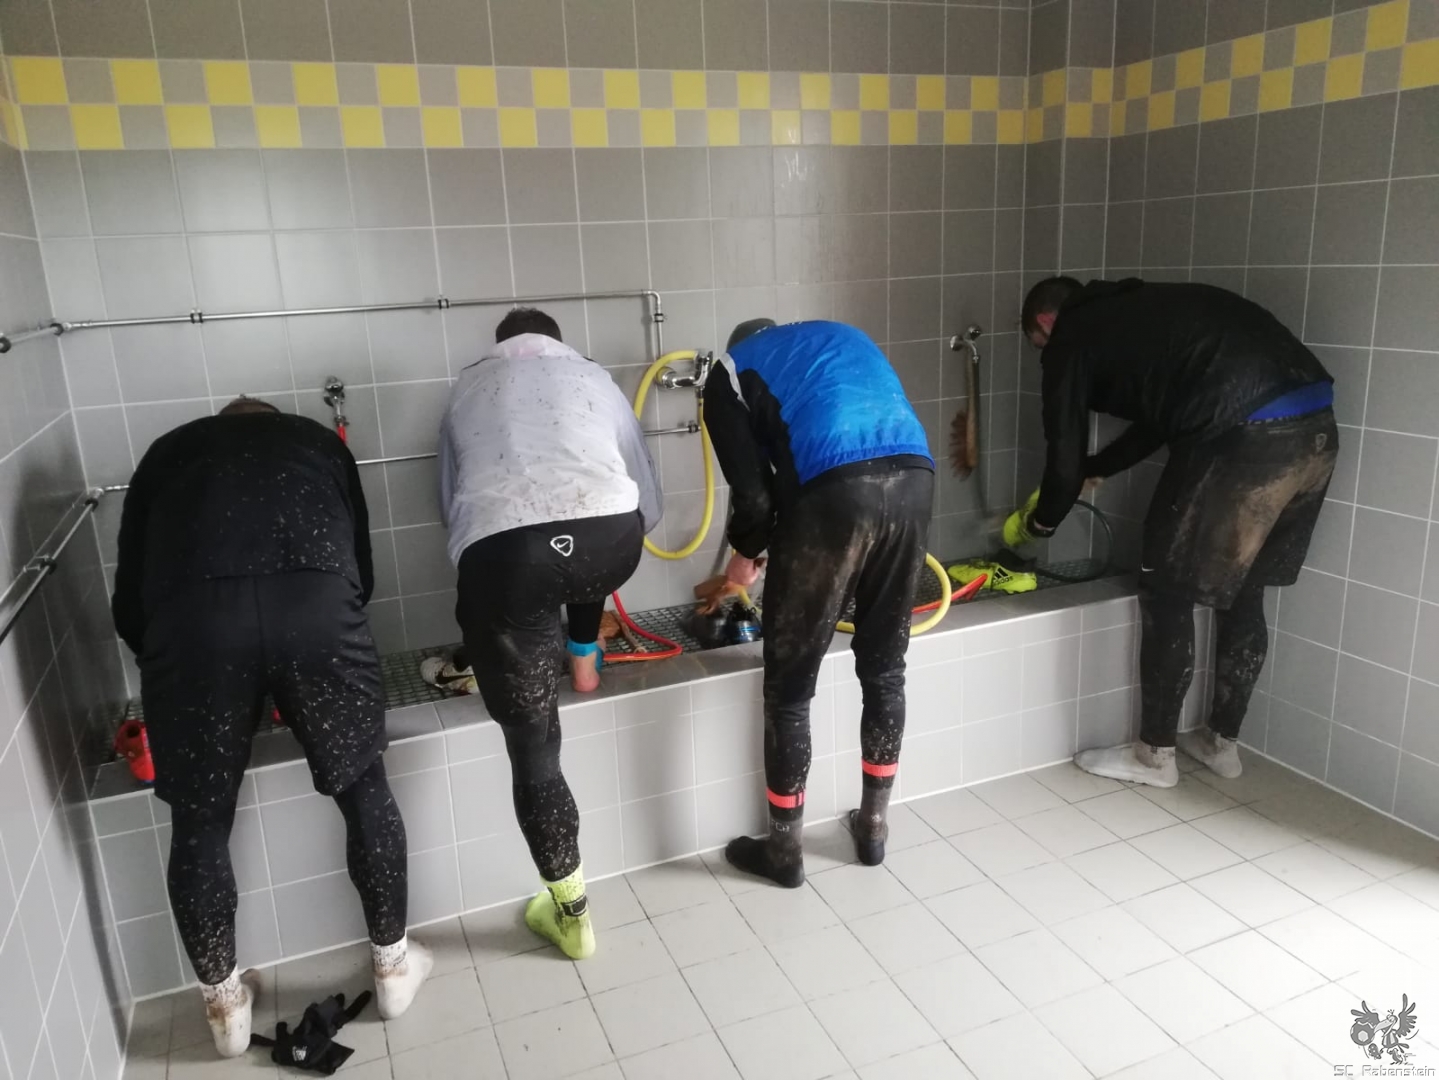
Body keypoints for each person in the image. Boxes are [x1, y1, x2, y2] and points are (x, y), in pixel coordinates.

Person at [111, 398, 430, 1058]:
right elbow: (361, 573)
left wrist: (196, 677)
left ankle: (224, 1007)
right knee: (365, 789)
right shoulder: (318, 443)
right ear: (271, 420)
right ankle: (393, 968)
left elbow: (130, 607)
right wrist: (298, 663)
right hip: (315, 608)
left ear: (221, 423)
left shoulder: (167, 453)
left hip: (192, 623)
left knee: (199, 822)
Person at [1009, 277, 1338, 788]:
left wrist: (1040, 522)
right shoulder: (1143, 311)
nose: (1044, 355)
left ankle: (1154, 757)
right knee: (1245, 590)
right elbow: (1163, 417)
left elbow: (1062, 458)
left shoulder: (1071, 335)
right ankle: (1221, 745)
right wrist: (1100, 467)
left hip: (1244, 438)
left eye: (1039, 345)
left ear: (1046, 321)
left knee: (1165, 591)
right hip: (1315, 429)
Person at [438, 307, 661, 959]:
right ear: (560, 345)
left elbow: (451, 507)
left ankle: (572, 915)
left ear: (500, 346)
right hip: (610, 542)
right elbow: (645, 496)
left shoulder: (467, 386)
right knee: (580, 552)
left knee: (534, 748)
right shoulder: (594, 377)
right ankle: (584, 660)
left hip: (508, 556)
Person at [703, 319, 935, 887]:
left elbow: (755, 495)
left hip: (837, 490)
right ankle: (873, 828)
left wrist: (744, 557)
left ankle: (784, 853)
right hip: (914, 478)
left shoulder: (726, 375)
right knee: (885, 670)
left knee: (789, 692)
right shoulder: (827, 343)